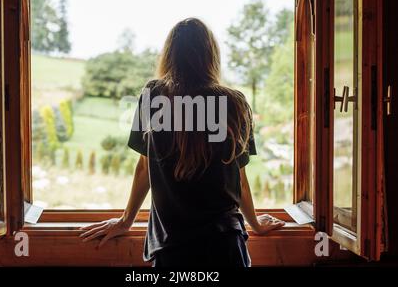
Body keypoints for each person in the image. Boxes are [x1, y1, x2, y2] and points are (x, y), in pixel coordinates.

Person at [80, 18, 285, 267]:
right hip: (225, 245)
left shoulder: (154, 95)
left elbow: (144, 167)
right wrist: (256, 224)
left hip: (172, 248)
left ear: (169, 55)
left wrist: (126, 221)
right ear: (211, 56)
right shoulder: (234, 103)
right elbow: (239, 178)